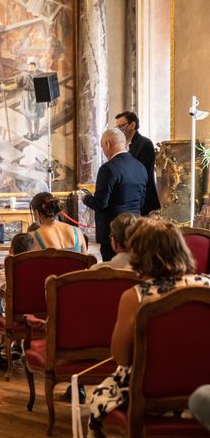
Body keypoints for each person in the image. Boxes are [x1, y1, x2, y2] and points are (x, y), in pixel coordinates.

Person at [87, 219, 210, 437]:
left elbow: (121, 356)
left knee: (98, 399)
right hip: (203, 389)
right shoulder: (207, 285)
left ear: (138, 254)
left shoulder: (136, 296)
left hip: (149, 396)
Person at [82, 128, 147, 261]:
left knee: (113, 272)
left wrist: (86, 198)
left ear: (107, 144)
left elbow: (101, 203)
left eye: (102, 146)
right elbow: (141, 201)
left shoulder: (108, 168)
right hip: (135, 227)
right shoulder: (140, 166)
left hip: (113, 231)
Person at [0, 233, 34, 366]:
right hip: (33, 308)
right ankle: (16, 345)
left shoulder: (5, 272)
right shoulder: (36, 267)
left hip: (11, 311)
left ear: (11, 249)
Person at [114, 111, 160, 216]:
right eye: (116, 128)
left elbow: (143, 175)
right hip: (126, 200)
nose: (118, 131)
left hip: (141, 201)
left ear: (132, 125)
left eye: (121, 126)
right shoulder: (121, 145)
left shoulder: (145, 144)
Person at [0, 57, 45, 141]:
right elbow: (44, 88)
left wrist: (4, 87)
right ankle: (36, 134)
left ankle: (30, 134)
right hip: (37, 96)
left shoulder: (24, 74)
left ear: (28, 64)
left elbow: (16, 86)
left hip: (27, 96)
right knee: (36, 116)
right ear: (36, 64)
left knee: (27, 116)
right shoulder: (41, 73)